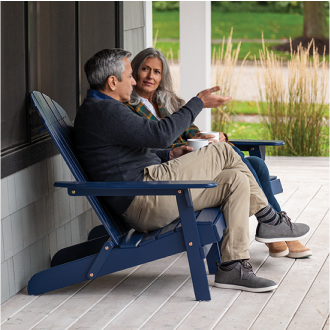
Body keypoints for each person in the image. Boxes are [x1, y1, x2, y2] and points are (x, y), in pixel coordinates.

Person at [74, 48, 310, 293]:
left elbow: (138, 150)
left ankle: (233, 266)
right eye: (130, 75)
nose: (134, 81)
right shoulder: (105, 111)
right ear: (113, 81)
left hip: (151, 191)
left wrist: (171, 154)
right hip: (146, 197)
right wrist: (198, 103)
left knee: (235, 180)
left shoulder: (102, 110)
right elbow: (161, 134)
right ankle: (270, 220)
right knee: (223, 151)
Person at [126, 47, 312, 260]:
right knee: (243, 163)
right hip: (172, 172)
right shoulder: (129, 109)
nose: (150, 76)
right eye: (145, 69)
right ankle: (276, 228)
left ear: (163, 76)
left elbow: (193, 133)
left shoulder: (168, 102)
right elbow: (147, 148)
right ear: (134, 72)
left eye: (156, 71)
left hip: (196, 162)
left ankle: (273, 227)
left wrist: (218, 138)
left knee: (256, 164)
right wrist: (176, 151)